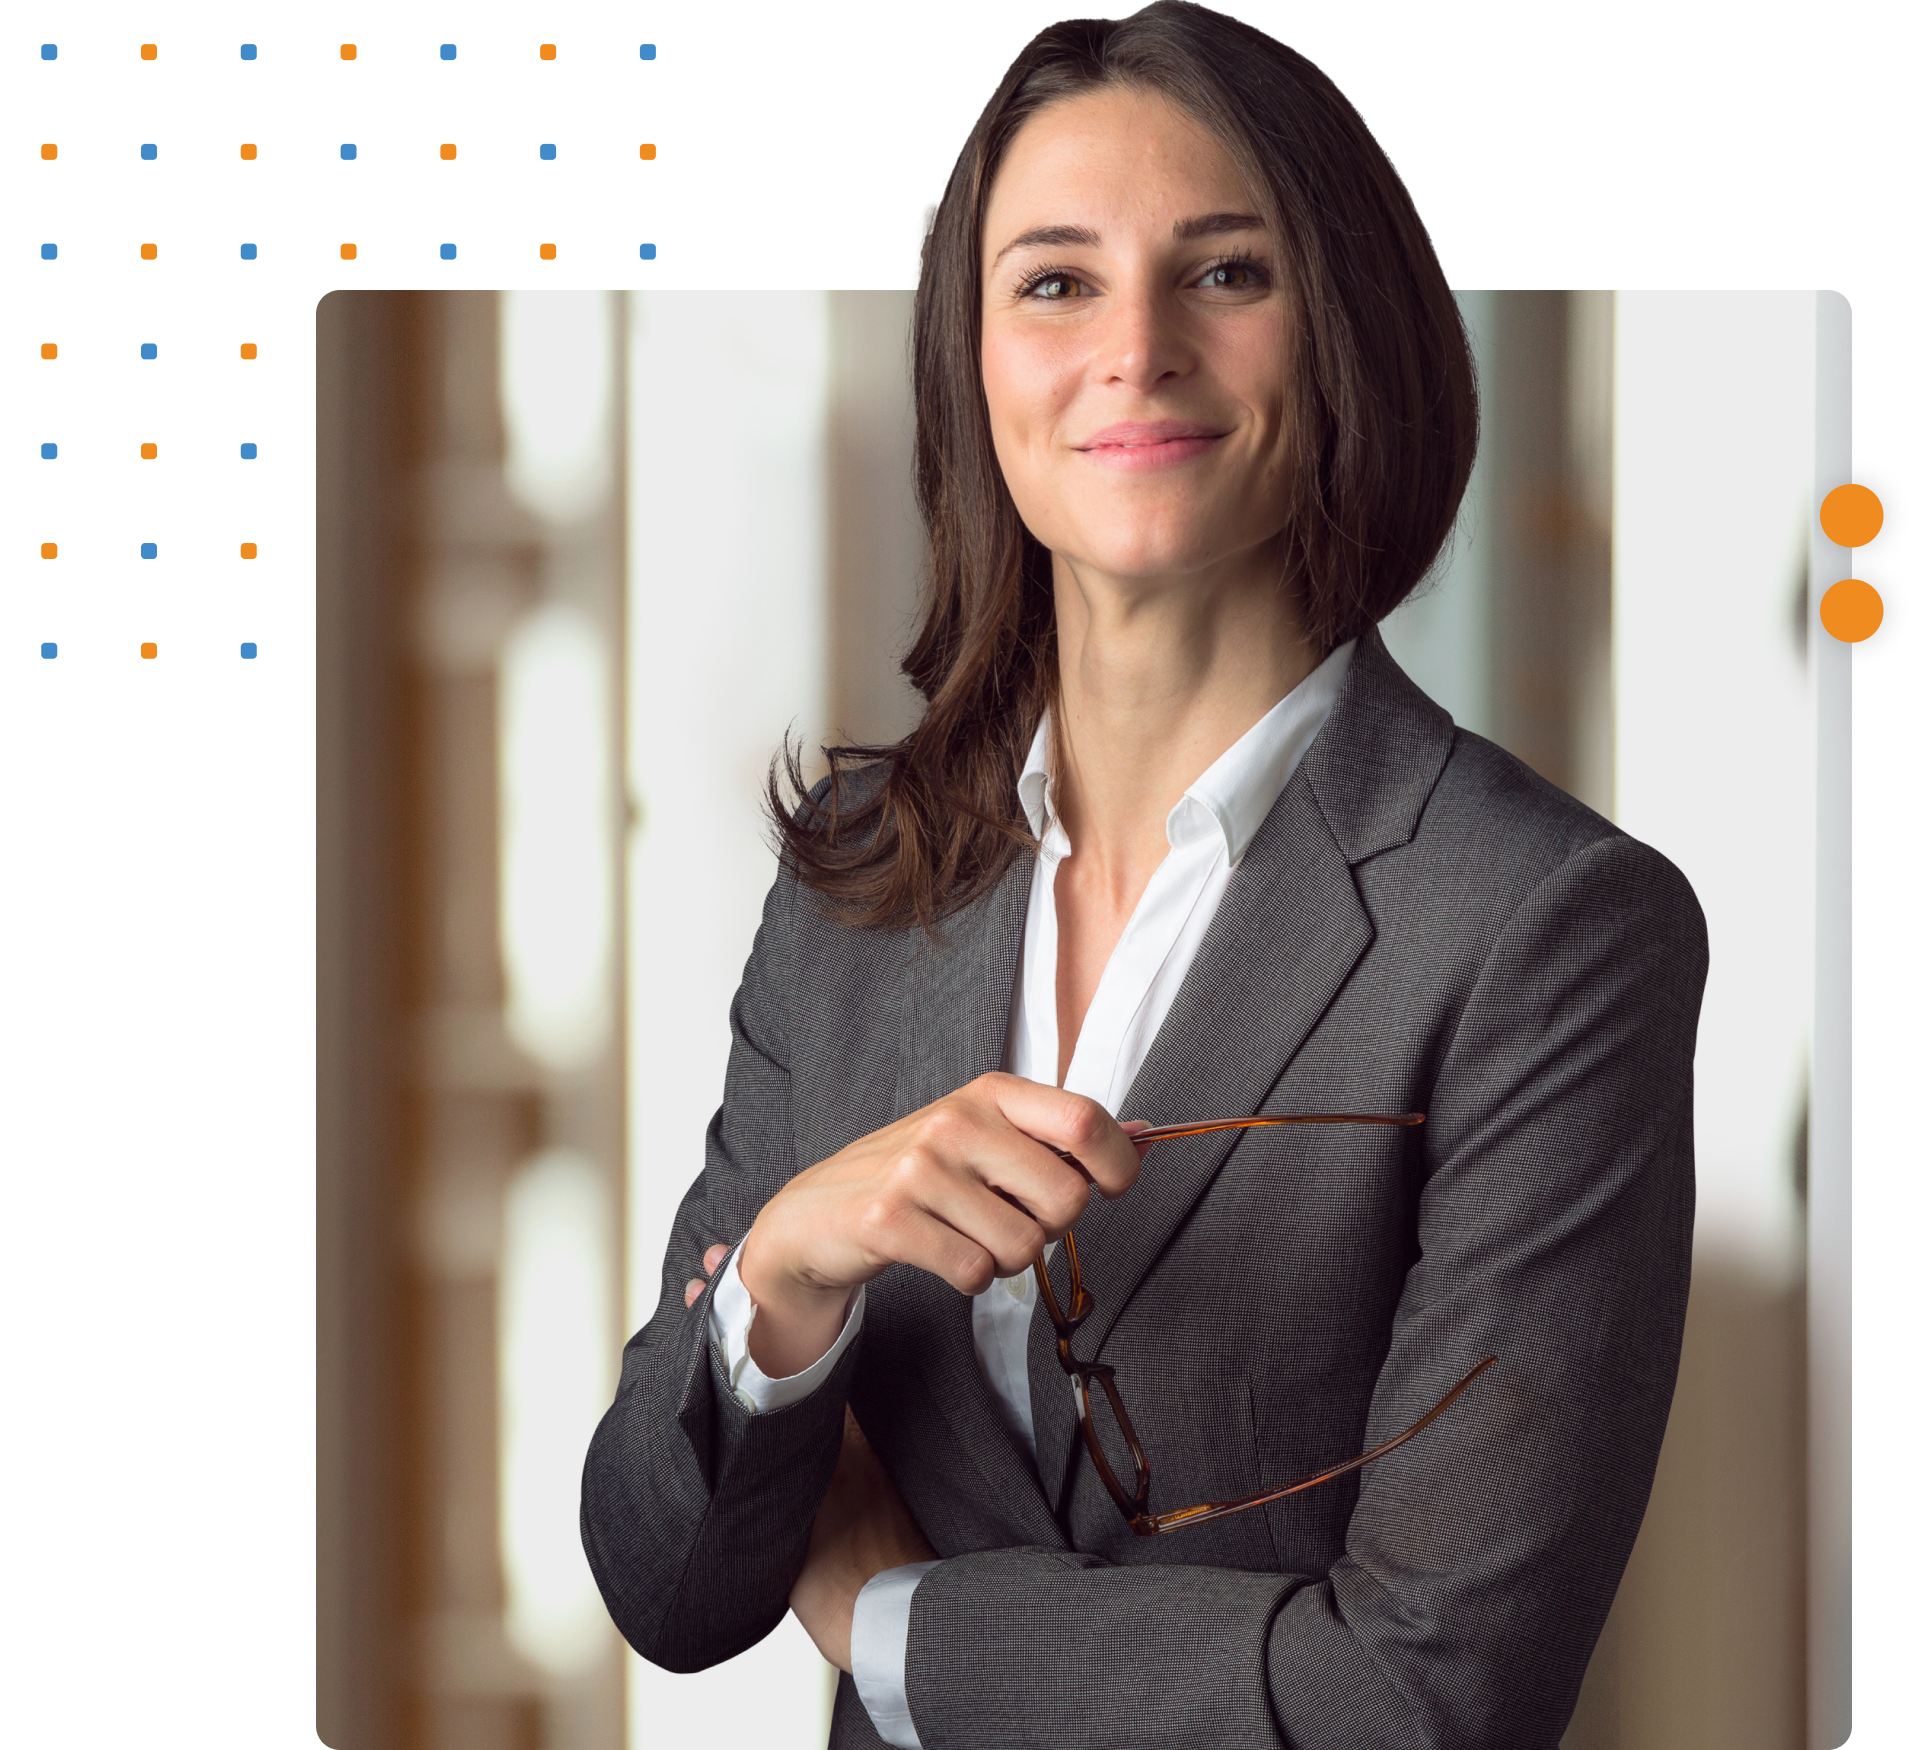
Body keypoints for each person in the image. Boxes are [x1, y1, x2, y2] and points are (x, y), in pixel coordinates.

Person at [582, 5, 1707, 1744]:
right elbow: (663, 1585)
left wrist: (897, 1624)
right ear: (970, 362)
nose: (1137, 349)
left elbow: (1429, 1699)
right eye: (1053, 284)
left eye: (1226, 273)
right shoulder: (856, 887)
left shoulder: (1546, 930)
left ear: (1345, 332)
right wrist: (781, 1286)